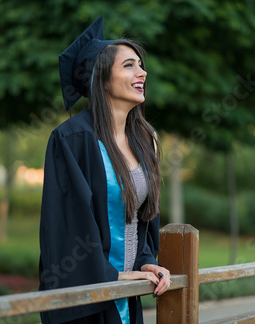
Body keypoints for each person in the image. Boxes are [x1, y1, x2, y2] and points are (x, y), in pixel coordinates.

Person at [39, 16, 171, 324]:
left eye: (141, 64)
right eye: (129, 66)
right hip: (89, 302)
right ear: (102, 79)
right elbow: (67, 226)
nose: (143, 72)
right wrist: (112, 275)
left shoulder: (141, 140)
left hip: (127, 295)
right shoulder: (72, 140)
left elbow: (139, 221)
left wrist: (146, 262)